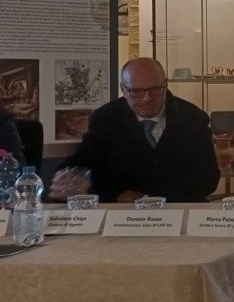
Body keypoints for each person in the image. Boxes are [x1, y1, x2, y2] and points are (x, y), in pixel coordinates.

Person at [50, 57, 220, 203]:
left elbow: (207, 179)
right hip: (122, 214)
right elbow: (87, 163)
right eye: (136, 92)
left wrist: (149, 198)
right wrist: (68, 178)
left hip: (178, 210)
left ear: (165, 85)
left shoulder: (193, 119)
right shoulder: (106, 118)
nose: (147, 98)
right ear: (123, 89)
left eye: (155, 90)